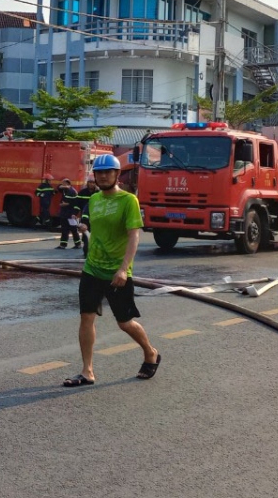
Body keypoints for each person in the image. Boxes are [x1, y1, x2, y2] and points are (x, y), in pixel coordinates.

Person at [62, 154, 159, 387]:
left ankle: (150, 353)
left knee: (124, 322)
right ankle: (87, 371)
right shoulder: (94, 199)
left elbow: (134, 235)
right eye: (99, 172)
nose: (103, 176)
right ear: (95, 175)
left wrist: (124, 269)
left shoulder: (128, 201)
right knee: (86, 317)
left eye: (108, 172)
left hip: (117, 271)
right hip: (92, 268)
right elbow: (97, 230)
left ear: (117, 175)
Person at [73, 180, 98, 258]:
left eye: (93, 183)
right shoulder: (82, 192)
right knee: (86, 237)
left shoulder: (99, 193)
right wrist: (75, 213)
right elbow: (77, 204)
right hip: (85, 219)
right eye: (90, 182)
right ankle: (86, 253)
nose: (91, 184)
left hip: (96, 219)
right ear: (87, 183)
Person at [55, 179, 81, 249]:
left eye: (63, 184)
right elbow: (58, 188)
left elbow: (75, 203)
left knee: (74, 229)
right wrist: (64, 187)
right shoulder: (64, 190)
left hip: (70, 214)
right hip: (64, 213)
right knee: (64, 230)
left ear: (67, 183)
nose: (62, 185)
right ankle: (63, 245)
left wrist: (67, 205)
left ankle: (78, 244)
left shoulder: (72, 192)